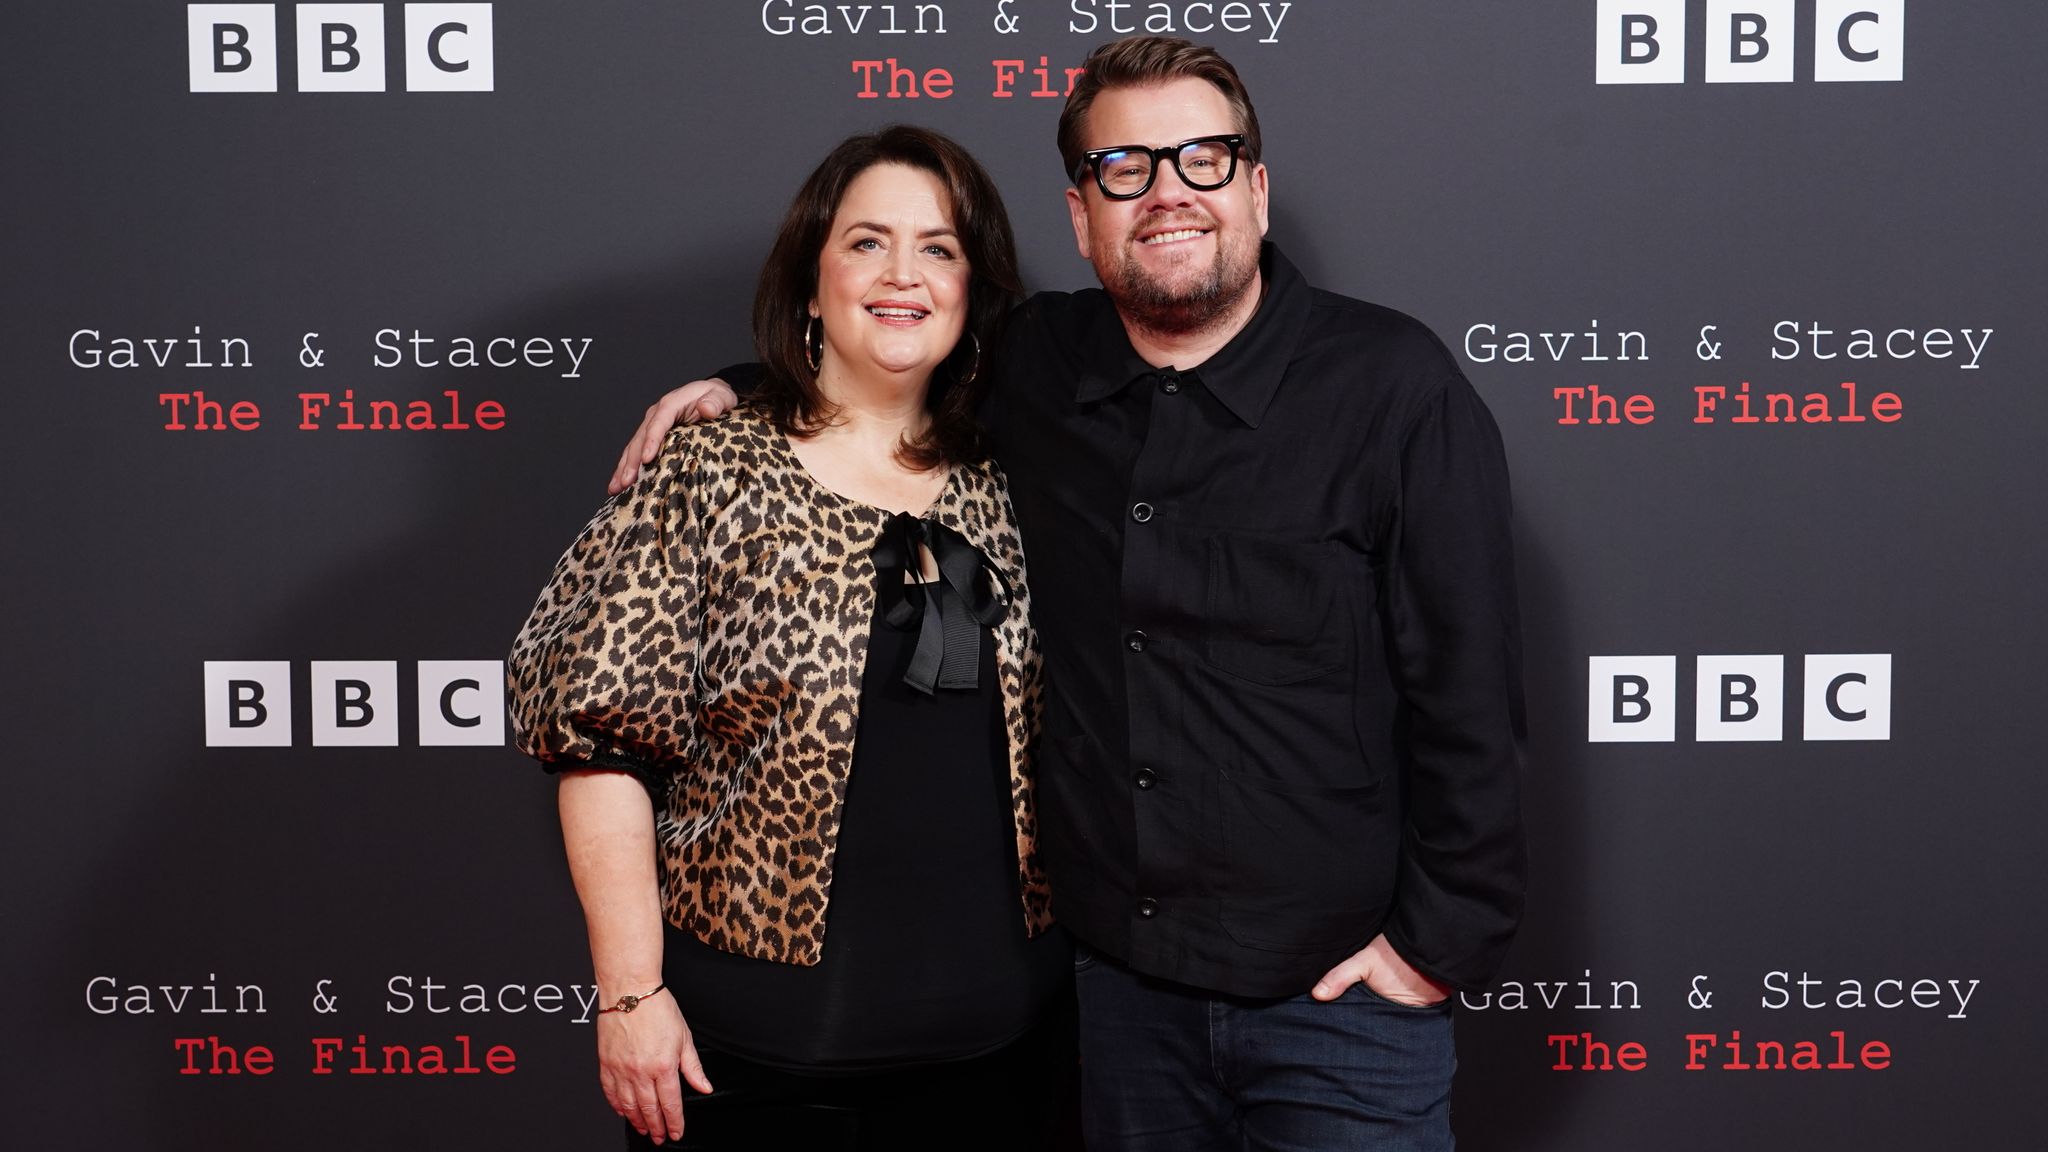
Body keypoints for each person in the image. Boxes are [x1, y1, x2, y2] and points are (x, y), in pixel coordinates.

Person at [615, 36, 1525, 1151]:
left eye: (1201, 158)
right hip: (1112, 1009)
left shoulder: (1393, 387)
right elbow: (891, 345)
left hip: (1337, 1014)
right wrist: (742, 386)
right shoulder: (1035, 364)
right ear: (1081, 214)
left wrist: (1433, 953)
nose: (1167, 194)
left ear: (1255, 188)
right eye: (1124, 169)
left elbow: (1470, 698)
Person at [508, 125, 1072, 1151]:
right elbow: (600, 746)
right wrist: (629, 996)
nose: (904, 273)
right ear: (811, 283)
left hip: (1007, 1057)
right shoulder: (708, 470)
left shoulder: (1021, 473)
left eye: (938, 248)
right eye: (867, 242)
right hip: (753, 1061)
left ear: (972, 288)